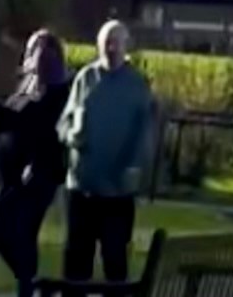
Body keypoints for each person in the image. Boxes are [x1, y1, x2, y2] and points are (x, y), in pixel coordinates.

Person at [61, 16, 161, 292]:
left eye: (117, 43)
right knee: (75, 262)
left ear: (126, 46)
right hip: (82, 187)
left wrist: (135, 167)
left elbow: (145, 134)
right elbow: (64, 122)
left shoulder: (136, 86)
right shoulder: (85, 78)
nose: (111, 48)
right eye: (106, 43)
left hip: (116, 193)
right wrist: (72, 136)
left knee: (114, 262)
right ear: (98, 45)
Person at [0, 30, 70, 297]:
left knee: (22, 231)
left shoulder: (56, 92)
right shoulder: (23, 89)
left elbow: (37, 122)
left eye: (41, 49)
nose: (35, 54)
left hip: (39, 174)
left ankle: (29, 287)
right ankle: (32, 283)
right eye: (33, 48)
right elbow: (4, 118)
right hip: (13, 177)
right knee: (4, 232)